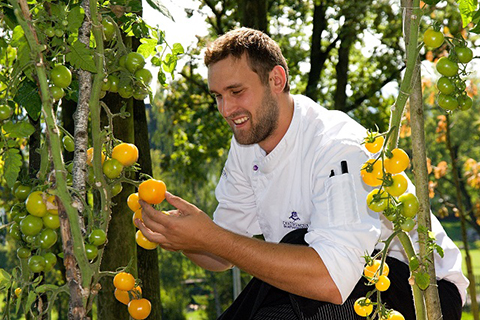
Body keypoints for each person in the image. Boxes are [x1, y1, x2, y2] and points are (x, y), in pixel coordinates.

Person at [137, 27, 469, 319]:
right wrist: (180, 236)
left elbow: (331, 280)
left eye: (236, 92)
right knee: (288, 264)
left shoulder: (338, 146)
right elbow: (222, 252)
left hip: (420, 289)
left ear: (276, 79)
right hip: (332, 288)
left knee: (296, 252)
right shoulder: (246, 144)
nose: (226, 110)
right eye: (218, 97)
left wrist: (211, 237)